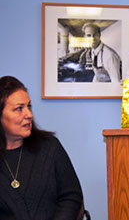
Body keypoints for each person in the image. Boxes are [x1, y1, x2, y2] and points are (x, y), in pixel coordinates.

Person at [0, 76, 83, 219]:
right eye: (19, 109)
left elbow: (71, 197)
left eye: (29, 106)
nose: (29, 115)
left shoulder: (50, 147)